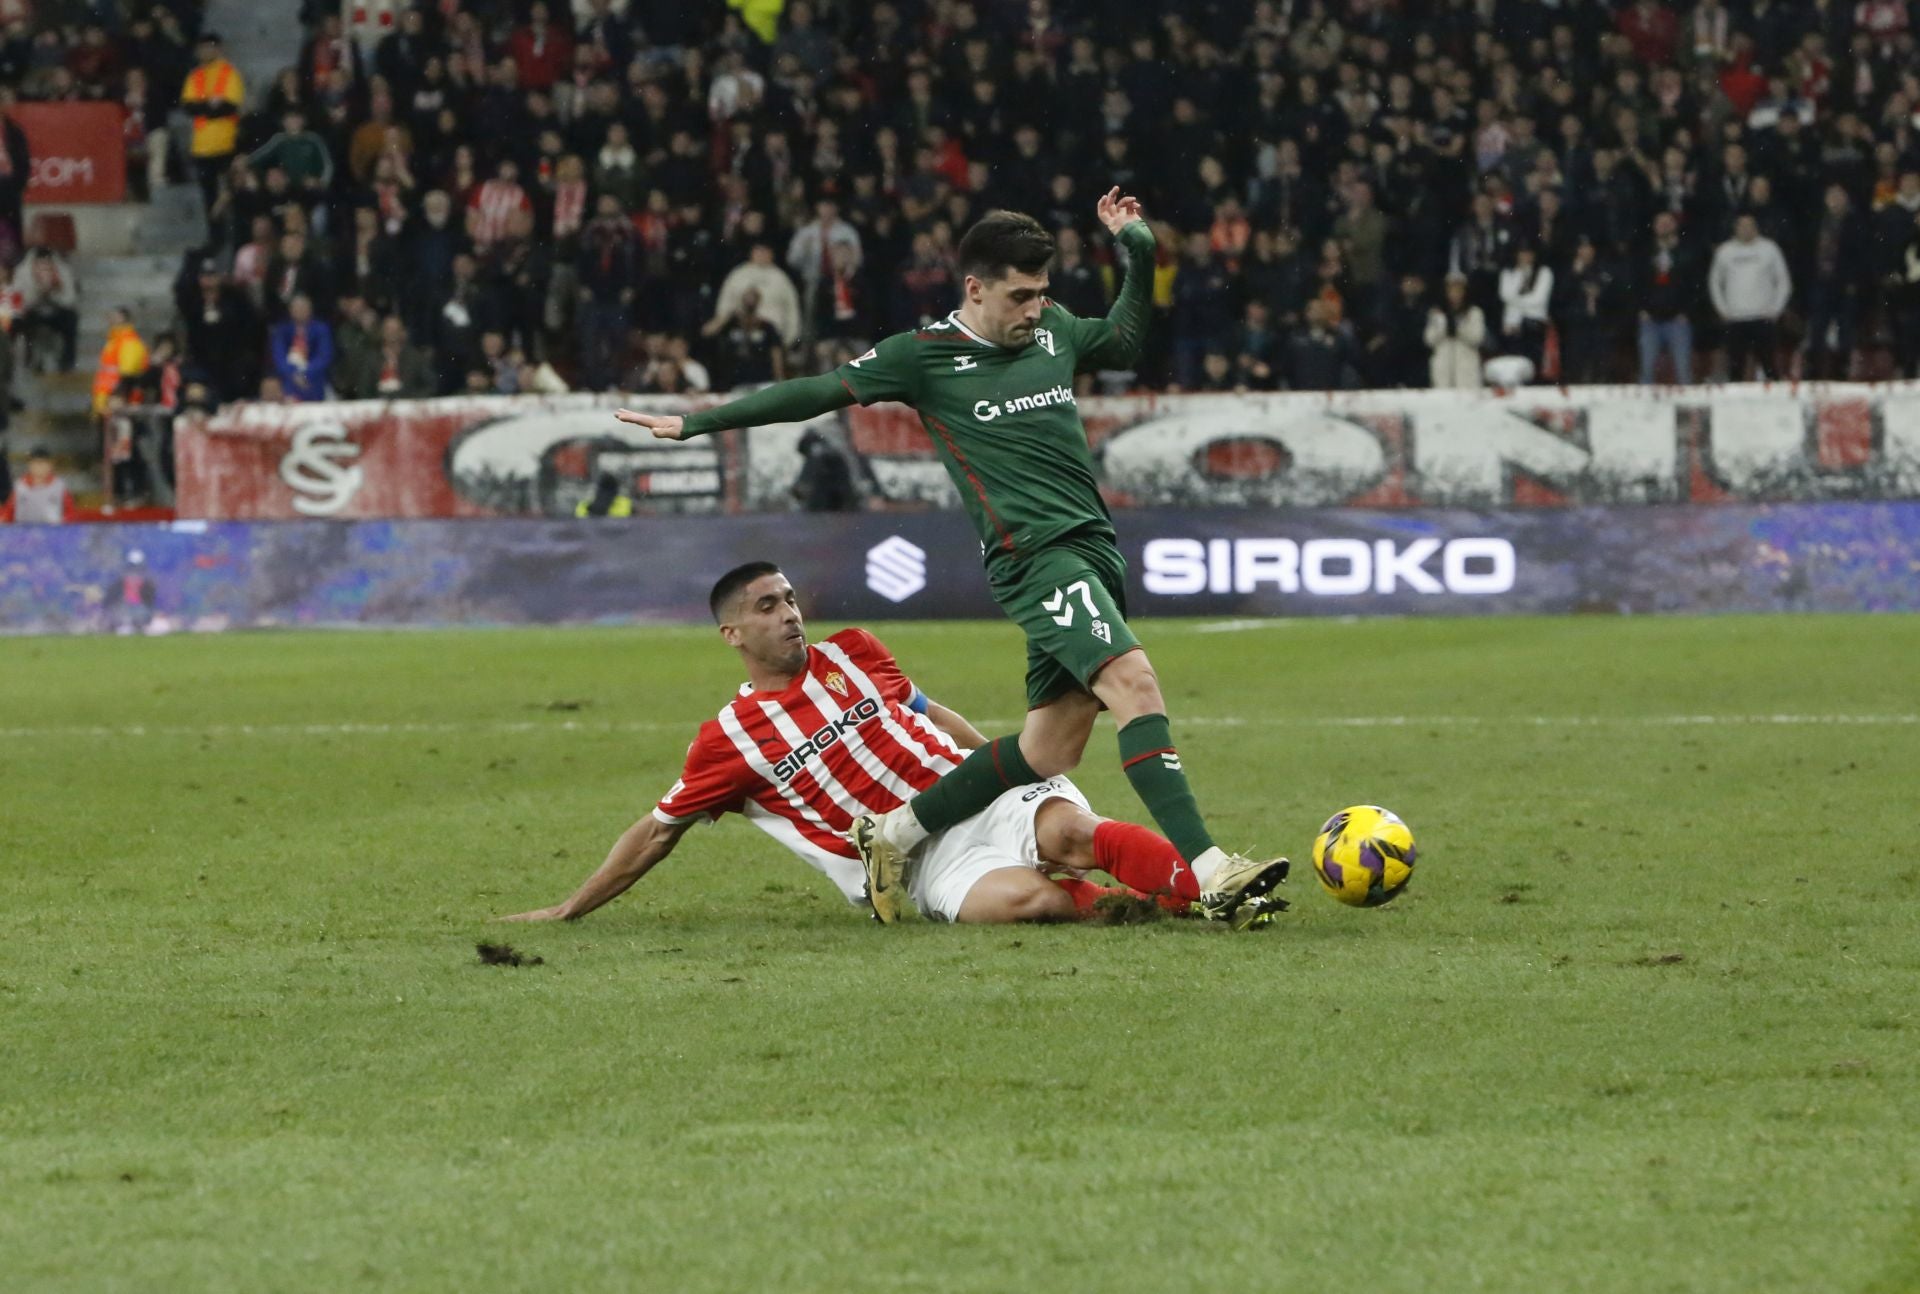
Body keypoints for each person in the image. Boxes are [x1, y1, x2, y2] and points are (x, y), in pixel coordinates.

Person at [614, 190, 1288, 928]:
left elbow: (1123, 343)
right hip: (1034, 557)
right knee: (1134, 683)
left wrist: (1139, 249)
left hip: (1093, 549)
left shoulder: (1053, 331)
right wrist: (696, 422)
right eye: (1020, 296)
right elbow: (817, 391)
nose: (1035, 310)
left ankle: (893, 831)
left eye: (1042, 294)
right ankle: (1212, 868)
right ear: (975, 288)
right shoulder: (924, 357)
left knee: (1048, 748)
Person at [499, 563, 1270, 926]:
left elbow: (934, 716)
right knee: (1027, 903)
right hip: (917, 858)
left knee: (1069, 833)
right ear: (732, 634)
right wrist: (571, 908)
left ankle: (1212, 891)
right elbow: (655, 832)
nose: (792, 614)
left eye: (793, 598)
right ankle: (1144, 908)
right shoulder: (727, 742)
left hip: (971, 796)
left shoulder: (857, 650)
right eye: (768, 608)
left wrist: (1010, 772)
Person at [1709, 213, 1791, 381]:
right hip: (1735, 319)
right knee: (1735, 370)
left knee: (1770, 368)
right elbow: (1715, 283)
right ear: (1736, 228)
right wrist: (1723, 310)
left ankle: (1776, 404)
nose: (1746, 229)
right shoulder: (1725, 251)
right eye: (1742, 225)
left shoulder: (1770, 248)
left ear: (1756, 228)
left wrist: (1776, 310)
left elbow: (1783, 282)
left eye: (1749, 225)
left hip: (1763, 318)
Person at [179, 33, 245, 218]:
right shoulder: (195, 75)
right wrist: (210, 105)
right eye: (202, 48)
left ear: (218, 49)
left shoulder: (229, 72)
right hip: (202, 147)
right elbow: (187, 106)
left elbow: (229, 106)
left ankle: (231, 238)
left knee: (229, 195)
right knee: (209, 198)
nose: (205, 52)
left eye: (209, 47)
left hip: (226, 143)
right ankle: (215, 238)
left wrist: (203, 107)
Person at [1426, 273, 1486, 389]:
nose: (1455, 294)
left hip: (1466, 367)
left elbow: (1477, 338)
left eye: (1458, 290)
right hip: (1443, 365)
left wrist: (1459, 328)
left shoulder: (1474, 313)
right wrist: (1444, 326)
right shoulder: (1436, 313)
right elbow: (1429, 339)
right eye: (1451, 290)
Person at [269, 294, 335, 401]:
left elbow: (324, 356)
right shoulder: (281, 330)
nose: (300, 311)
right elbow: (279, 357)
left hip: (315, 378)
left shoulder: (321, 329)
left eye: (303, 307)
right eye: (297, 308)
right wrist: (293, 373)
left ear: (310, 310)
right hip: (288, 379)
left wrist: (305, 374)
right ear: (290, 310)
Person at [1, 447, 76, 524]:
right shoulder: (20, 487)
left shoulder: (59, 487)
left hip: (52, 533)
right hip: (23, 532)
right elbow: (8, 512)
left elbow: (70, 514)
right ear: (29, 465)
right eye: (36, 463)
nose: (39, 467)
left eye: (43, 463)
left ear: (50, 465)